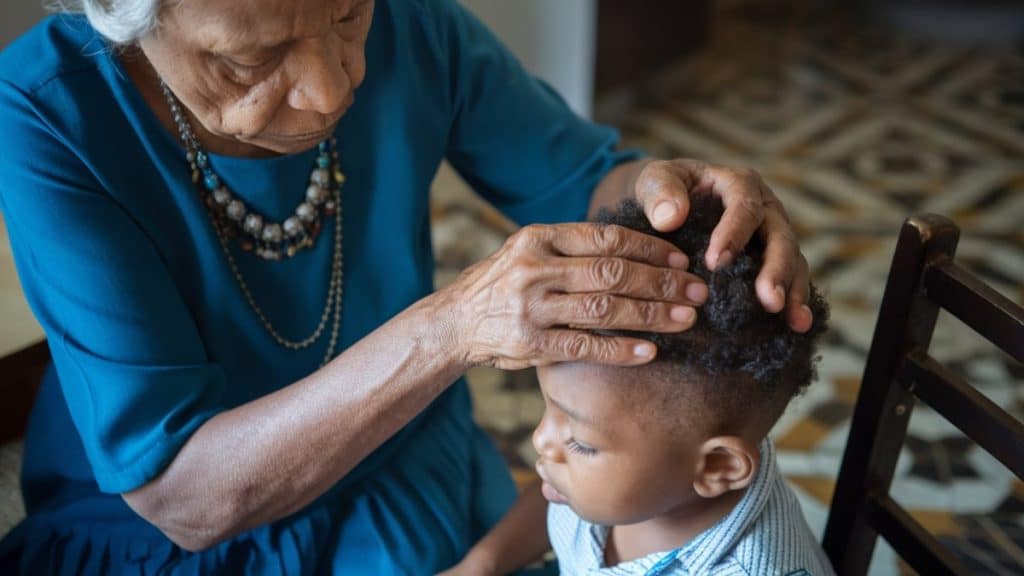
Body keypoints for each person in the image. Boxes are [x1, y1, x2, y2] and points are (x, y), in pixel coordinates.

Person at [0, 0, 815, 573]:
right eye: (252, 58)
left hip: (397, 461)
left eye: (350, 15)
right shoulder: (44, 114)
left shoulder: (414, 23)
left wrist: (688, 197)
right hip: (179, 525)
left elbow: (590, 184)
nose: (331, 88)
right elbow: (183, 499)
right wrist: (450, 328)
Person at [443, 196, 833, 575]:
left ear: (718, 467)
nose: (543, 440)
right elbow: (558, 497)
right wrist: (480, 566)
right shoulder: (630, 473)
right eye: (549, 407)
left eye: (581, 441)